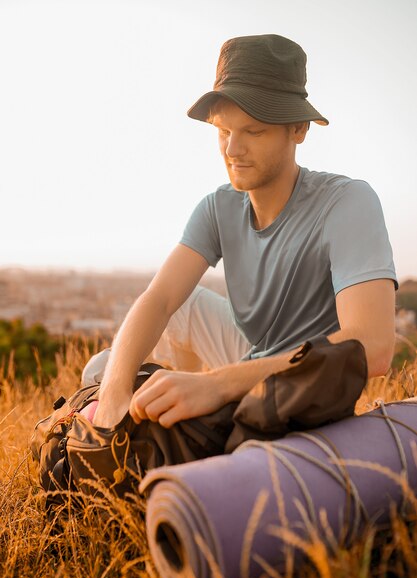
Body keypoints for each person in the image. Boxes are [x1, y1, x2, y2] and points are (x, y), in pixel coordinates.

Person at [85, 34, 397, 430]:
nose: (233, 149)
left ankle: (199, 415)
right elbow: (160, 299)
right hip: (251, 357)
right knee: (105, 368)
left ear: (298, 128)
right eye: (223, 131)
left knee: (149, 383)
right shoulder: (219, 207)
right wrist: (114, 394)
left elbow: (372, 347)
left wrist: (216, 385)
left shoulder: (347, 202)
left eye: (254, 131)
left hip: (306, 389)